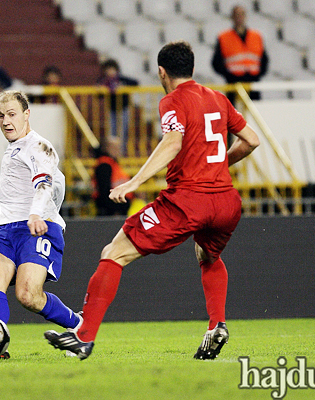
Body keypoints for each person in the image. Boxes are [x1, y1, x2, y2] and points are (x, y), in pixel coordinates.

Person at [45, 41, 260, 360]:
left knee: (114, 251)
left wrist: (134, 181)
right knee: (207, 254)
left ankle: (84, 337)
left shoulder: (173, 100)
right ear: (192, 68)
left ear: (162, 72)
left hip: (189, 200)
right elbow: (252, 141)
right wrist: (216, 166)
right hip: (227, 202)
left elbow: (173, 142)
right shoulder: (218, 98)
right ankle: (217, 324)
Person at [0, 90, 81, 358]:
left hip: (38, 225)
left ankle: (79, 325)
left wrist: (35, 214)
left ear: (26, 114)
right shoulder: (14, 149)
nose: (5, 121)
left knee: (28, 295)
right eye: (0, 115)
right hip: (4, 228)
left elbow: (43, 182)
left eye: (11, 114)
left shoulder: (39, 146)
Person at [211, 5, 269, 104]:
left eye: (241, 14)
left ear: (245, 16)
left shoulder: (256, 36)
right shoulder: (224, 37)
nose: (239, 17)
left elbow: (264, 59)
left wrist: (258, 74)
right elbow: (216, 62)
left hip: (253, 81)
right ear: (232, 17)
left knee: (255, 110)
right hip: (233, 83)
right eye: (236, 15)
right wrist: (228, 75)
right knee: (233, 112)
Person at [97, 59, 138, 152]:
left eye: (112, 69)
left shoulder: (122, 80)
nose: (110, 72)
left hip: (123, 109)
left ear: (116, 70)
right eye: (107, 70)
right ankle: (112, 152)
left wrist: (124, 88)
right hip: (111, 109)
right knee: (112, 132)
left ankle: (121, 152)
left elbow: (135, 83)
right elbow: (99, 94)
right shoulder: (103, 81)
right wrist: (101, 89)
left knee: (122, 132)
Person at [92, 137, 131, 216]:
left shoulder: (113, 163)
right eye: (114, 148)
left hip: (118, 207)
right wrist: (115, 209)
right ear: (106, 148)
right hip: (110, 211)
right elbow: (104, 191)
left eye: (119, 148)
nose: (118, 151)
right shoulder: (104, 165)